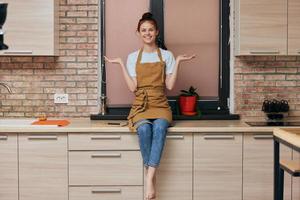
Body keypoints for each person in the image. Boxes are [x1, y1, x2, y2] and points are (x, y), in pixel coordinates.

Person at [105, 12, 195, 200]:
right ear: (138, 33)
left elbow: (169, 86)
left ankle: (149, 176)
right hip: (141, 105)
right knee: (144, 129)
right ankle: (151, 177)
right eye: (143, 30)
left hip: (160, 104)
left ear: (157, 32)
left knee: (160, 127)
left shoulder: (167, 55)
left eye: (150, 30)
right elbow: (133, 88)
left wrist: (178, 61)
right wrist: (121, 64)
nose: (147, 33)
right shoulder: (132, 58)